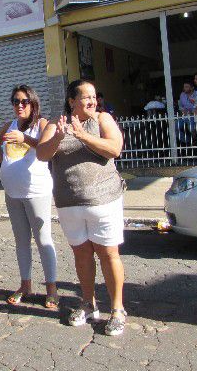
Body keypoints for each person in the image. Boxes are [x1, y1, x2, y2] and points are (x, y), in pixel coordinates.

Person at [37, 79, 127, 336]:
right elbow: (42, 155)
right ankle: (88, 304)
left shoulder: (102, 120)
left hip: (104, 200)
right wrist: (59, 136)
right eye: (85, 97)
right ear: (71, 101)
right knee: (82, 255)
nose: (92, 101)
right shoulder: (56, 123)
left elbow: (115, 149)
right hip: (69, 202)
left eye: (94, 97)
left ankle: (118, 309)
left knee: (109, 254)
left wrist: (83, 135)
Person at [0, 85, 58, 309]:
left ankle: (51, 289)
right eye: (15, 101)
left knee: (43, 239)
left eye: (24, 101)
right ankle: (25, 285)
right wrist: (4, 161)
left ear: (33, 103)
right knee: (21, 241)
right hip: (12, 192)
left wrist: (24, 138)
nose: (19, 105)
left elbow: (46, 148)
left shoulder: (41, 124)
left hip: (36, 191)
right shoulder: (10, 125)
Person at [176, 82, 196, 146]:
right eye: (184, 87)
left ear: (192, 88)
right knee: (174, 127)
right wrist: (182, 109)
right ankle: (187, 141)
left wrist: (190, 110)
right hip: (184, 115)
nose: (184, 88)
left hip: (193, 115)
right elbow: (180, 106)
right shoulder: (182, 94)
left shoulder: (196, 94)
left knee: (191, 129)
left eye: (187, 87)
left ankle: (195, 141)